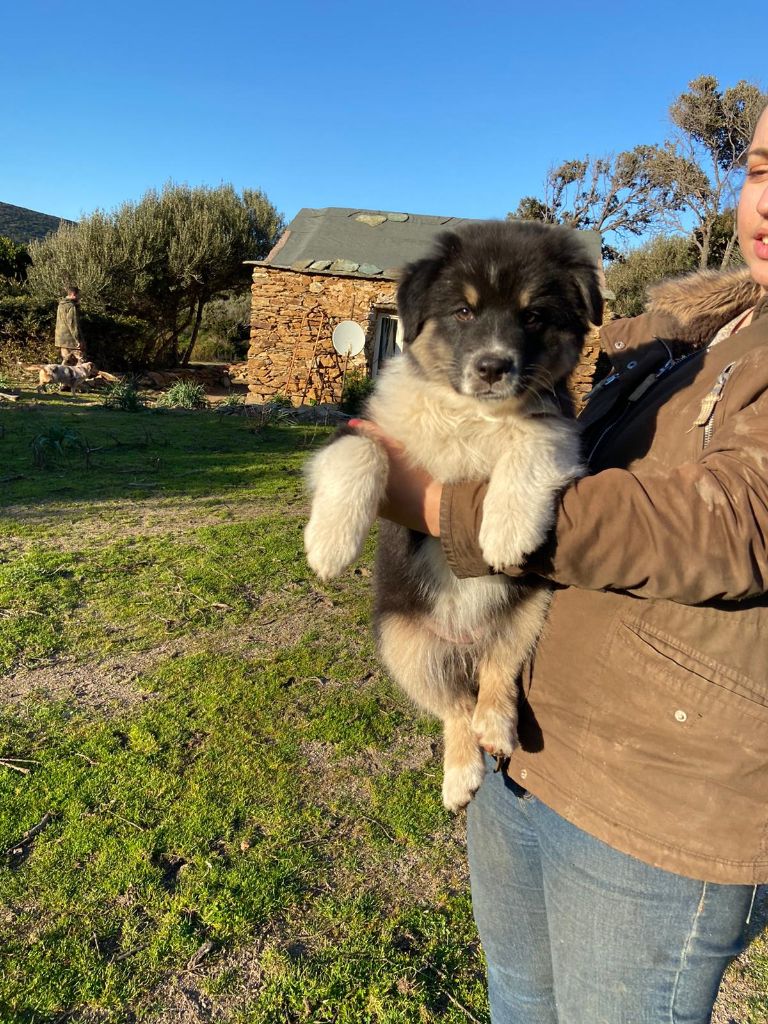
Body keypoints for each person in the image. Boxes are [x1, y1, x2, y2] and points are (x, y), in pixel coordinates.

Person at [356, 104, 768, 1023]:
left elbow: (738, 522)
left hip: (657, 806)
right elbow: (532, 351)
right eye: (763, 167)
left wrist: (435, 507)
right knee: (520, 1004)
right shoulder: (698, 330)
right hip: (529, 747)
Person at [55, 285, 87, 364]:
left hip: (61, 338)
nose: (79, 297)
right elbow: (73, 324)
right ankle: (81, 376)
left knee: (66, 361)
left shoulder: (61, 305)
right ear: (73, 294)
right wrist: (78, 340)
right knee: (81, 360)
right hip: (71, 339)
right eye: (78, 295)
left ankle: (63, 375)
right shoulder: (71, 306)